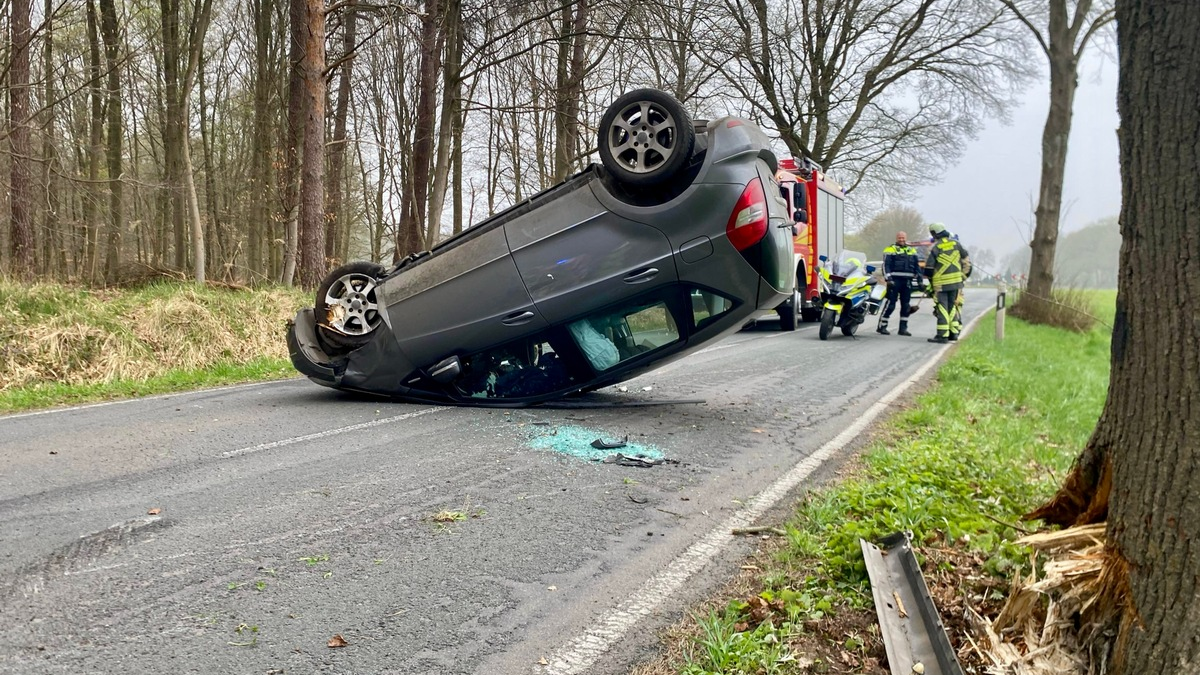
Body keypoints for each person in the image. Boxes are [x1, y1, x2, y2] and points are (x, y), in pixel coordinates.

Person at [923, 222, 970, 343]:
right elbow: (967, 262)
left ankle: (942, 335)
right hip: (956, 283)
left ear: (934, 233)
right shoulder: (956, 244)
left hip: (941, 284)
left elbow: (929, 269)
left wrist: (931, 283)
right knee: (952, 306)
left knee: (942, 307)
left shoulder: (936, 247)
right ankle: (953, 333)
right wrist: (963, 277)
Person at [877, 231, 922, 336]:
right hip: (894, 281)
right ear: (896, 238)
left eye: (903, 238)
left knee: (906, 306)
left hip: (907, 282)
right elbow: (886, 265)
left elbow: (917, 266)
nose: (901, 239)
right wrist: (888, 279)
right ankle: (882, 326)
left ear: (906, 238)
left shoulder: (912, 250)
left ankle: (903, 329)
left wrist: (919, 280)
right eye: (899, 238)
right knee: (891, 304)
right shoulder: (890, 249)